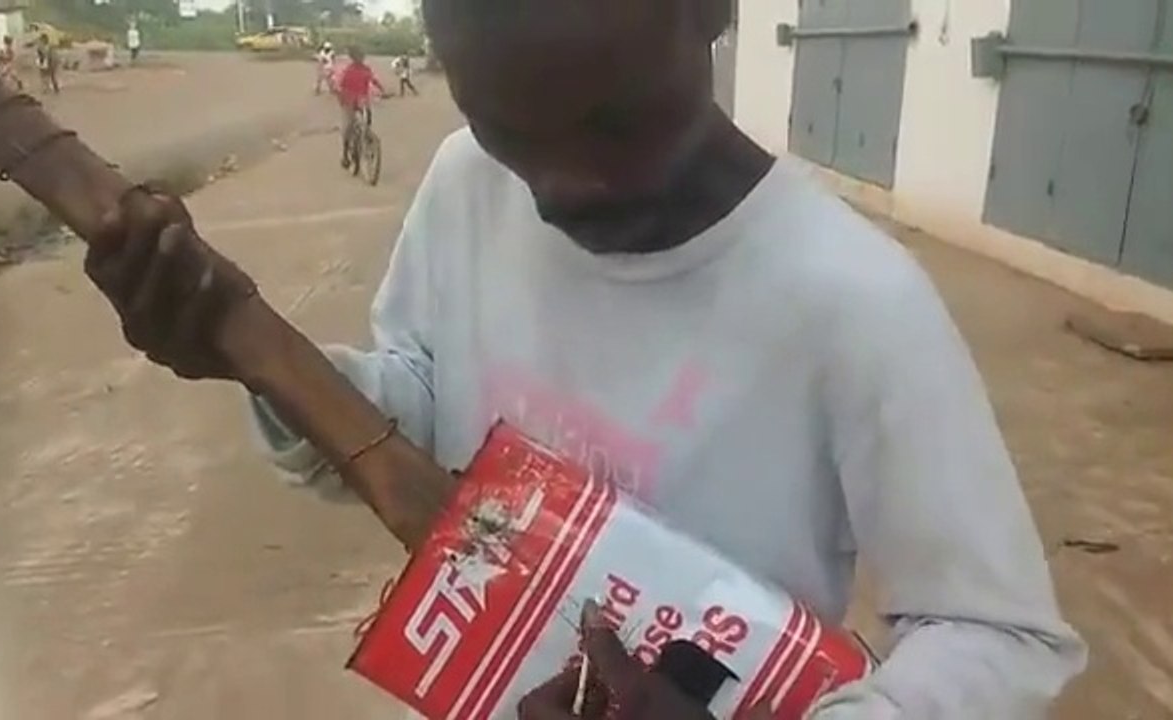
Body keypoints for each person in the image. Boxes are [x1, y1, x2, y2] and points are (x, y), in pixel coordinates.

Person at [83, 0, 1087, 717]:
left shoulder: (852, 300)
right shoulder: (466, 183)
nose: (563, 188)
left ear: (710, 13)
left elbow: (1002, 638)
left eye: (616, 121)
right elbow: (419, 404)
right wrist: (248, 348)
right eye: (503, 127)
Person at [336, 46, 384, 174]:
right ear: (353, 58)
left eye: (361, 57)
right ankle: (345, 155)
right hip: (348, 100)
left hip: (361, 100)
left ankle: (366, 137)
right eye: (358, 57)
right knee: (347, 127)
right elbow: (340, 85)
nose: (360, 59)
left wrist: (382, 90)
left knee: (367, 119)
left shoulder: (366, 69)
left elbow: (373, 80)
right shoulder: (349, 70)